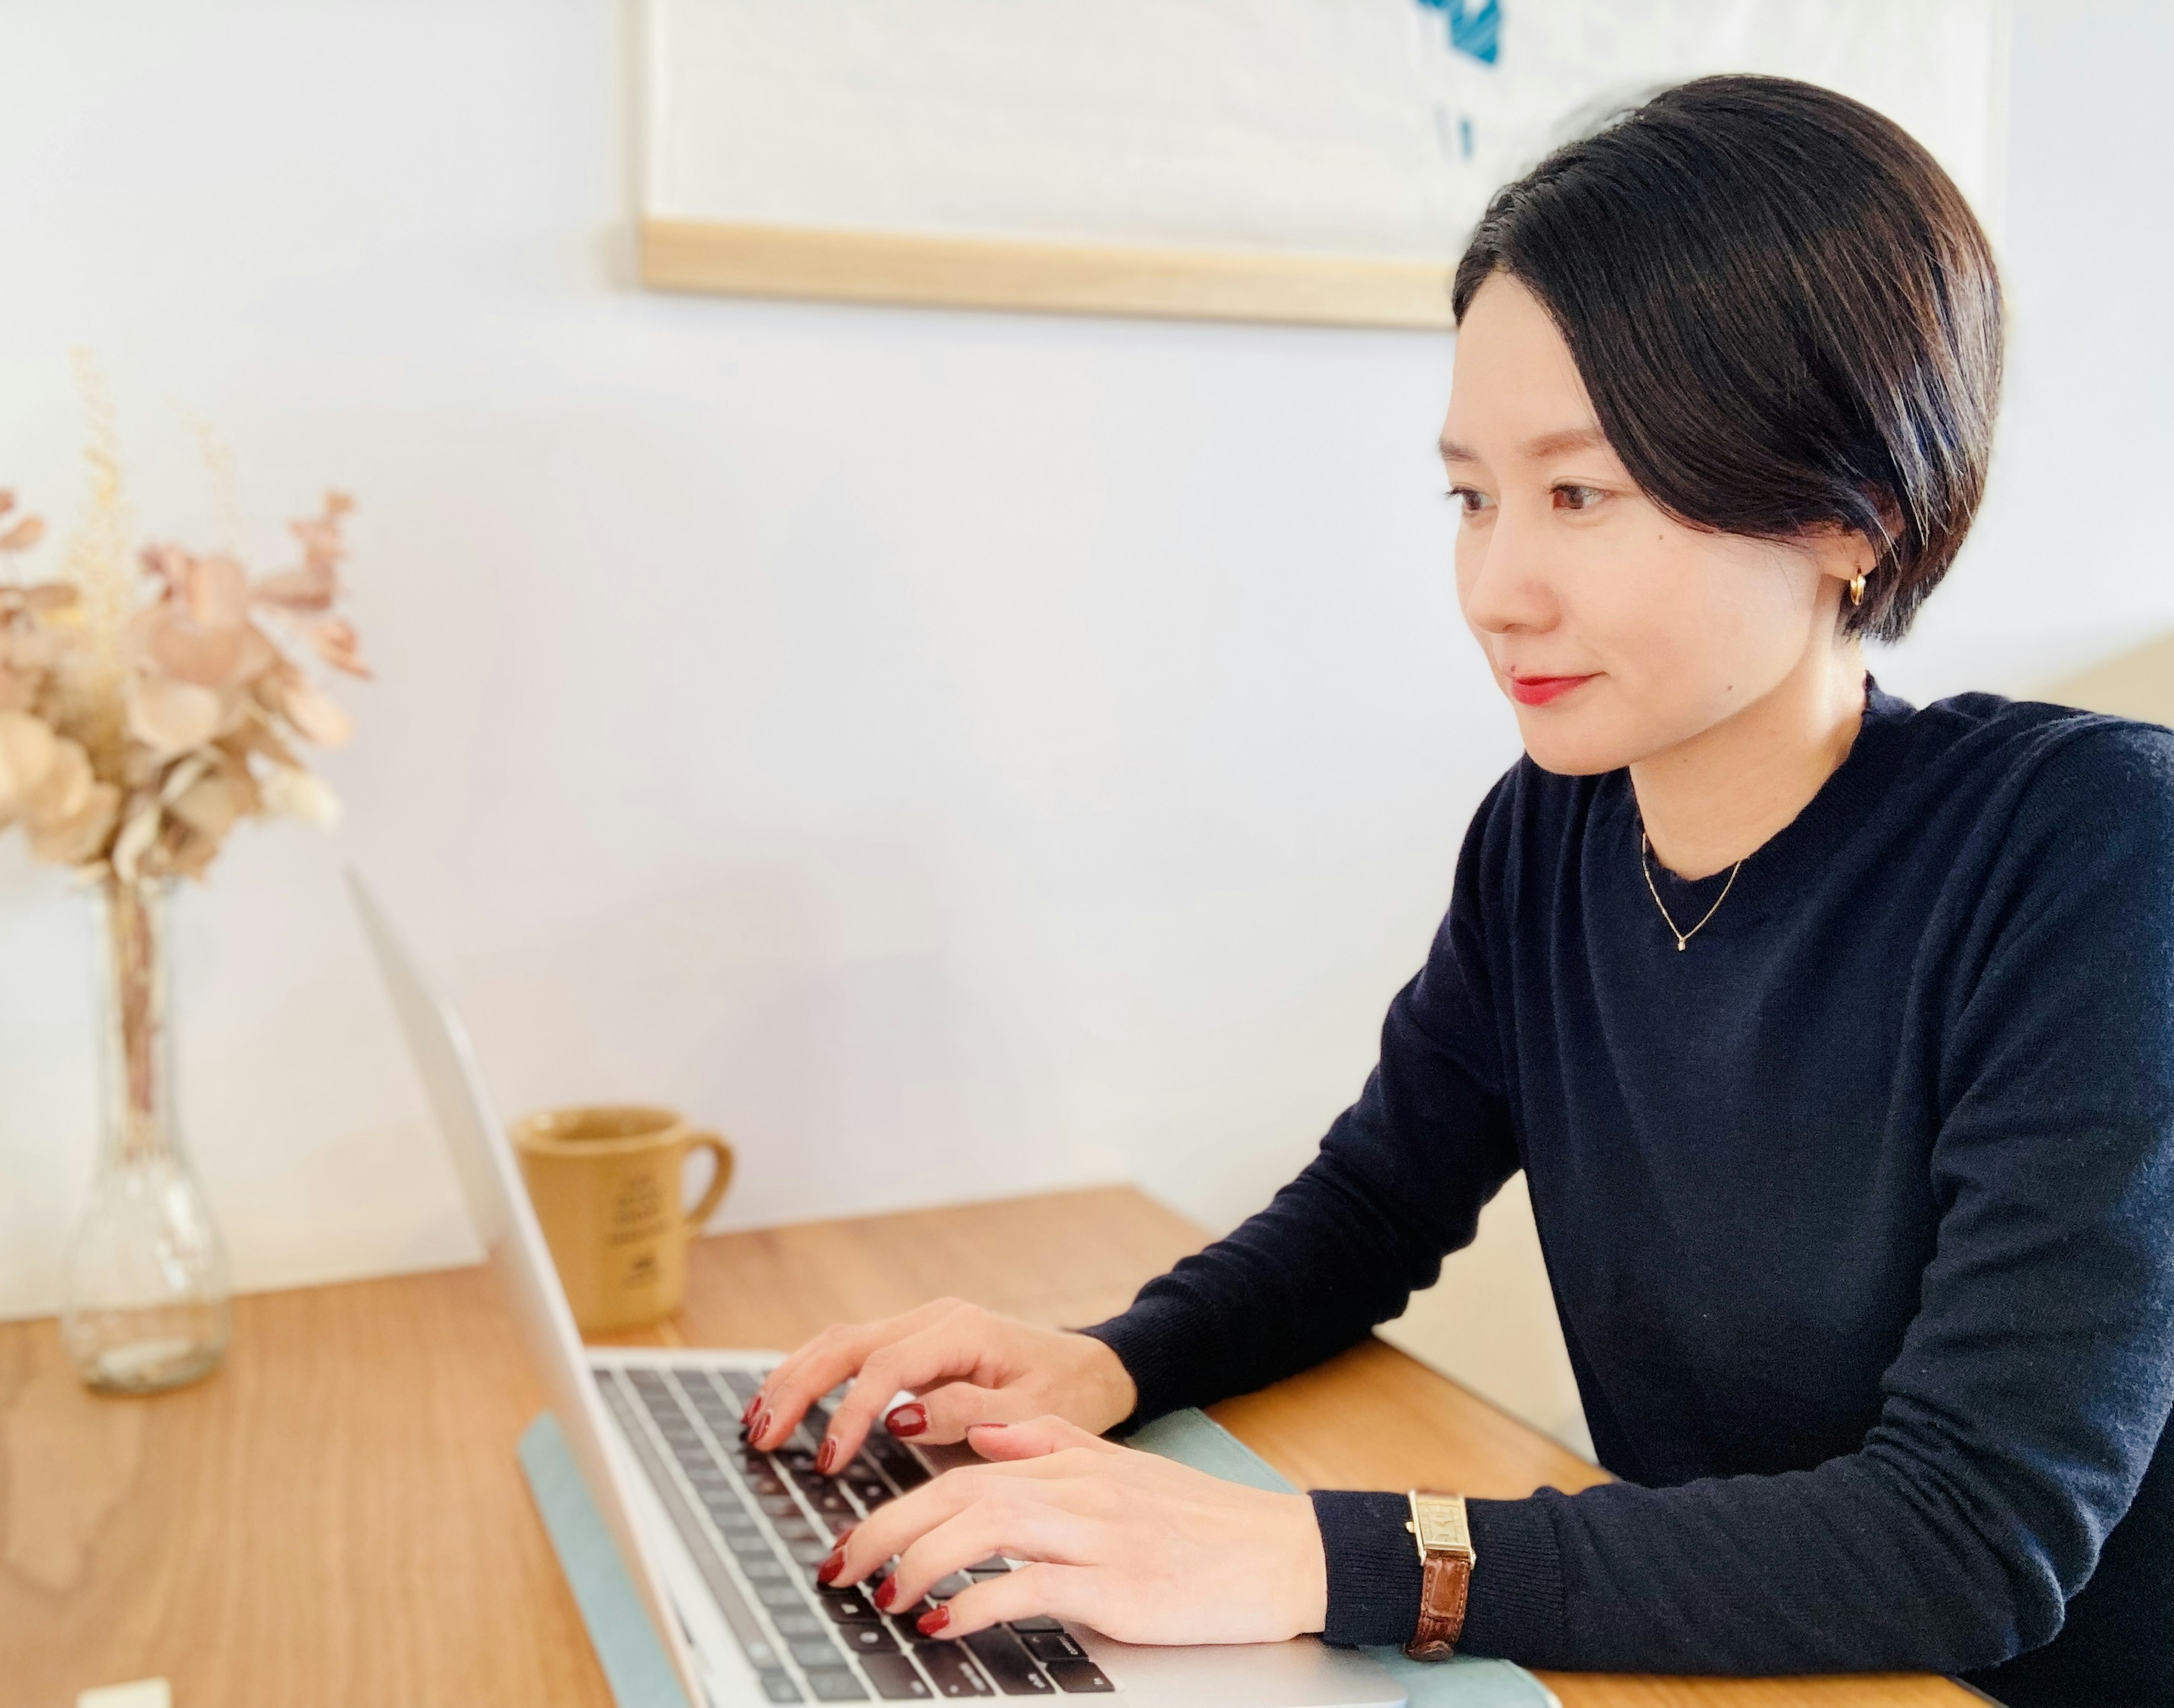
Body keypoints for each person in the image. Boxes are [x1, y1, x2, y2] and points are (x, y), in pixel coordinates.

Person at [737, 76, 2173, 1707]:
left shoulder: (2093, 852)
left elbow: (1973, 1537)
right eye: (1471, 496)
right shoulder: (1551, 834)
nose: (1497, 589)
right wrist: (1109, 1360)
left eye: (1583, 493)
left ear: (1856, 512)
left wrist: (1312, 1556)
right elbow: (1373, 1209)